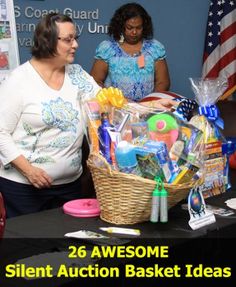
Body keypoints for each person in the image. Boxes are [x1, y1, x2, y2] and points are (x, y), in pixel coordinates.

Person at [0, 13, 101, 218]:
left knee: (66, 247)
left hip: (69, 187)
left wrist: (153, 105)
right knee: (29, 249)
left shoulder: (78, 75)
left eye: (75, 38)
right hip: (23, 190)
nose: (75, 45)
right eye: (68, 39)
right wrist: (29, 171)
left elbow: (110, 103)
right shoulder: (19, 80)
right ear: (47, 41)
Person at [90, 2, 171, 102]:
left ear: (144, 27)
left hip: (148, 109)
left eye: (138, 28)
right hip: (116, 110)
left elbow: (163, 82)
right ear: (121, 26)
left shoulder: (154, 48)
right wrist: (114, 102)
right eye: (130, 28)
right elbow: (95, 81)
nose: (134, 32)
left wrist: (148, 104)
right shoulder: (107, 49)